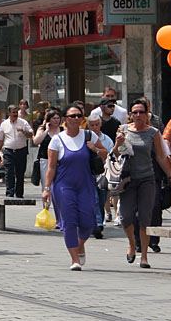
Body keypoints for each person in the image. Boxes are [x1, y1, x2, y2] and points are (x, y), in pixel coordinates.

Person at [43, 104, 108, 270]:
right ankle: (75, 260)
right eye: (72, 116)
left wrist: (95, 149)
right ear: (65, 119)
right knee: (69, 222)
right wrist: (47, 188)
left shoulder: (89, 135)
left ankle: (79, 245)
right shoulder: (57, 140)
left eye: (79, 115)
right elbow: (51, 167)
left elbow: (105, 153)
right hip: (64, 186)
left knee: (88, 223)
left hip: (86, 185)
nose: (76, 118)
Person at [116, 99, 171, 269]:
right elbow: (116, 153)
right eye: (134, 112)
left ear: (147, 114)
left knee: (145, 217)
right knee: (126, 216)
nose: (137, 115)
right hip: (127, 179)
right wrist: (118, 143)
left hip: (147, 179)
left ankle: (144, 255)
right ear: (130, 115)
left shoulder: (153, 132)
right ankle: (131, 243)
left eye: (141, 112)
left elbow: (160, 157)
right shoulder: (123, 130)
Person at [86, 112, 114, 239]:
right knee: (94, 199)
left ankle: (99, 222)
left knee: (102, 199)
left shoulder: (106, 139)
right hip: (88, 173)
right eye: (92, 125)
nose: (95, 127)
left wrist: (95, 149)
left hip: (103, 172)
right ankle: (97, 224)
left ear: (100, 124)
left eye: (97, 124)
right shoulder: (85, 137)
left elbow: (108, 154)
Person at [0, 105, 33, 198]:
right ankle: (10, 193)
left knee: (20, 173)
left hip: (21, 151)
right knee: (9, 172)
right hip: (8, 151)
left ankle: (19, 193)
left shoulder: (23, 122)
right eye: (13, 112)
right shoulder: (4, 124)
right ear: (9, 113)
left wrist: (23, 131)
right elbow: (0, 139)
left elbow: (31, 134)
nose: (15, 114)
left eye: (16, 112)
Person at [32, 109, 61, 188]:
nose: (56, 120)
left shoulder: (62, 130)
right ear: (49, 120)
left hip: (59, 160)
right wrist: (47, 130)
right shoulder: (42, 129)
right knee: (46, 184)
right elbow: (36, 141)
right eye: (54, 118)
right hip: (45, 160)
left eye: (58, 118)